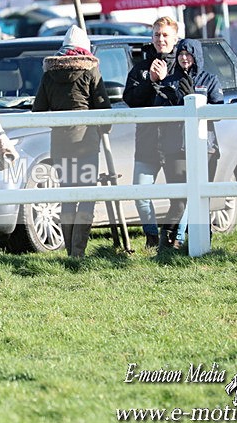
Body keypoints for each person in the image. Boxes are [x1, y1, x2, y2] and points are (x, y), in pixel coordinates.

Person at [32, 25, 111, 257]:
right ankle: (79, 250)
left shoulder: (49, 74)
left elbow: (39, 111)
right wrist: (105, 129)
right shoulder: (91, 72)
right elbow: (103, 107)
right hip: (86, 144)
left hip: (60, 145)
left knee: (67, 197)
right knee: (86, 197)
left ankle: (69, 250)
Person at [154, 38, 223, 249]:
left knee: (203, 198)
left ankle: (202, 242)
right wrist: (175, 98)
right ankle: (166, 244)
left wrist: (193, 96)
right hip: (175, 148)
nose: (184, 58)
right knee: (179, 199)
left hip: (206, 148)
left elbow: (218, 112)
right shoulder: (170, 80)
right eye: (181, 54)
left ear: (197, 56)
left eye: (189, 54)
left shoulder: (209, 79)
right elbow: (159, 111)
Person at [123, 16, 180, 248]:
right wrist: (151, 81)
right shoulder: (140, 68)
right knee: (140, 193)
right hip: (147, 142)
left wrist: (165, 81)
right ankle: (151, 237)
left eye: (166, 35)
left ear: (175, 38)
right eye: (157, 34)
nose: (161, 39)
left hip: (175, 143)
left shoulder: (182, 65)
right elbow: (132, 101)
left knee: (179, 195)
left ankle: (173, 237)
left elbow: (179, 99)